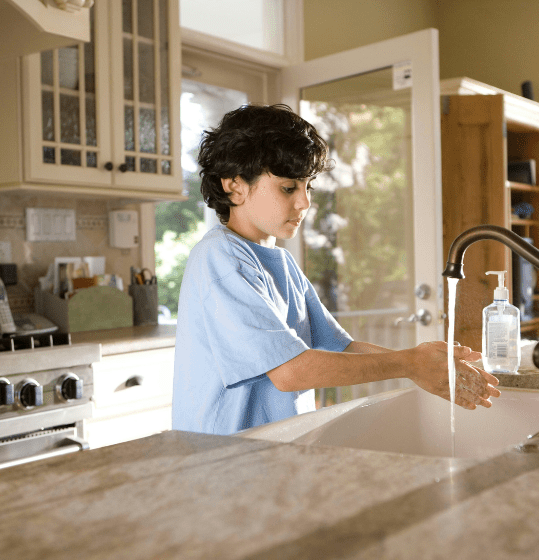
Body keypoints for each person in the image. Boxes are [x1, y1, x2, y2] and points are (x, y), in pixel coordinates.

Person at [172, 103, 500, 436]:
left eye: (308, 187)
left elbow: (338, 346)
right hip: (225, 462)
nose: (304, 202)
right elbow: (290, 372)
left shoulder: (280, 262)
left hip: (275, 449)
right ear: (234, 186)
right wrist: (409, 363)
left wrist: (421, 364)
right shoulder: (221, 260)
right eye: (288, 188)